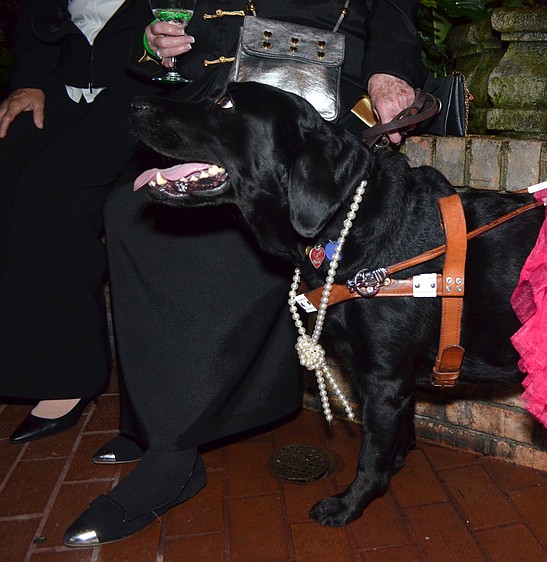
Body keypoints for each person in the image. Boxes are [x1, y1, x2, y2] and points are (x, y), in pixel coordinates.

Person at [63, 0, 426, 546]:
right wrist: (156, 45)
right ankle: (155, 418)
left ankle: (173, 455)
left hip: (311, 107)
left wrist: (391, 68)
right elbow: (171, 24)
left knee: (207, 236)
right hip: (216, 91)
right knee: (127, 212)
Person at [0, 0, 161, 444]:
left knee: (51, 193)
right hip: (61, 88)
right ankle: (15, 359)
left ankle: (67, 375)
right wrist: (28, 82)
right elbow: (34, 19)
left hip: (142, 89)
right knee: (6, 166)